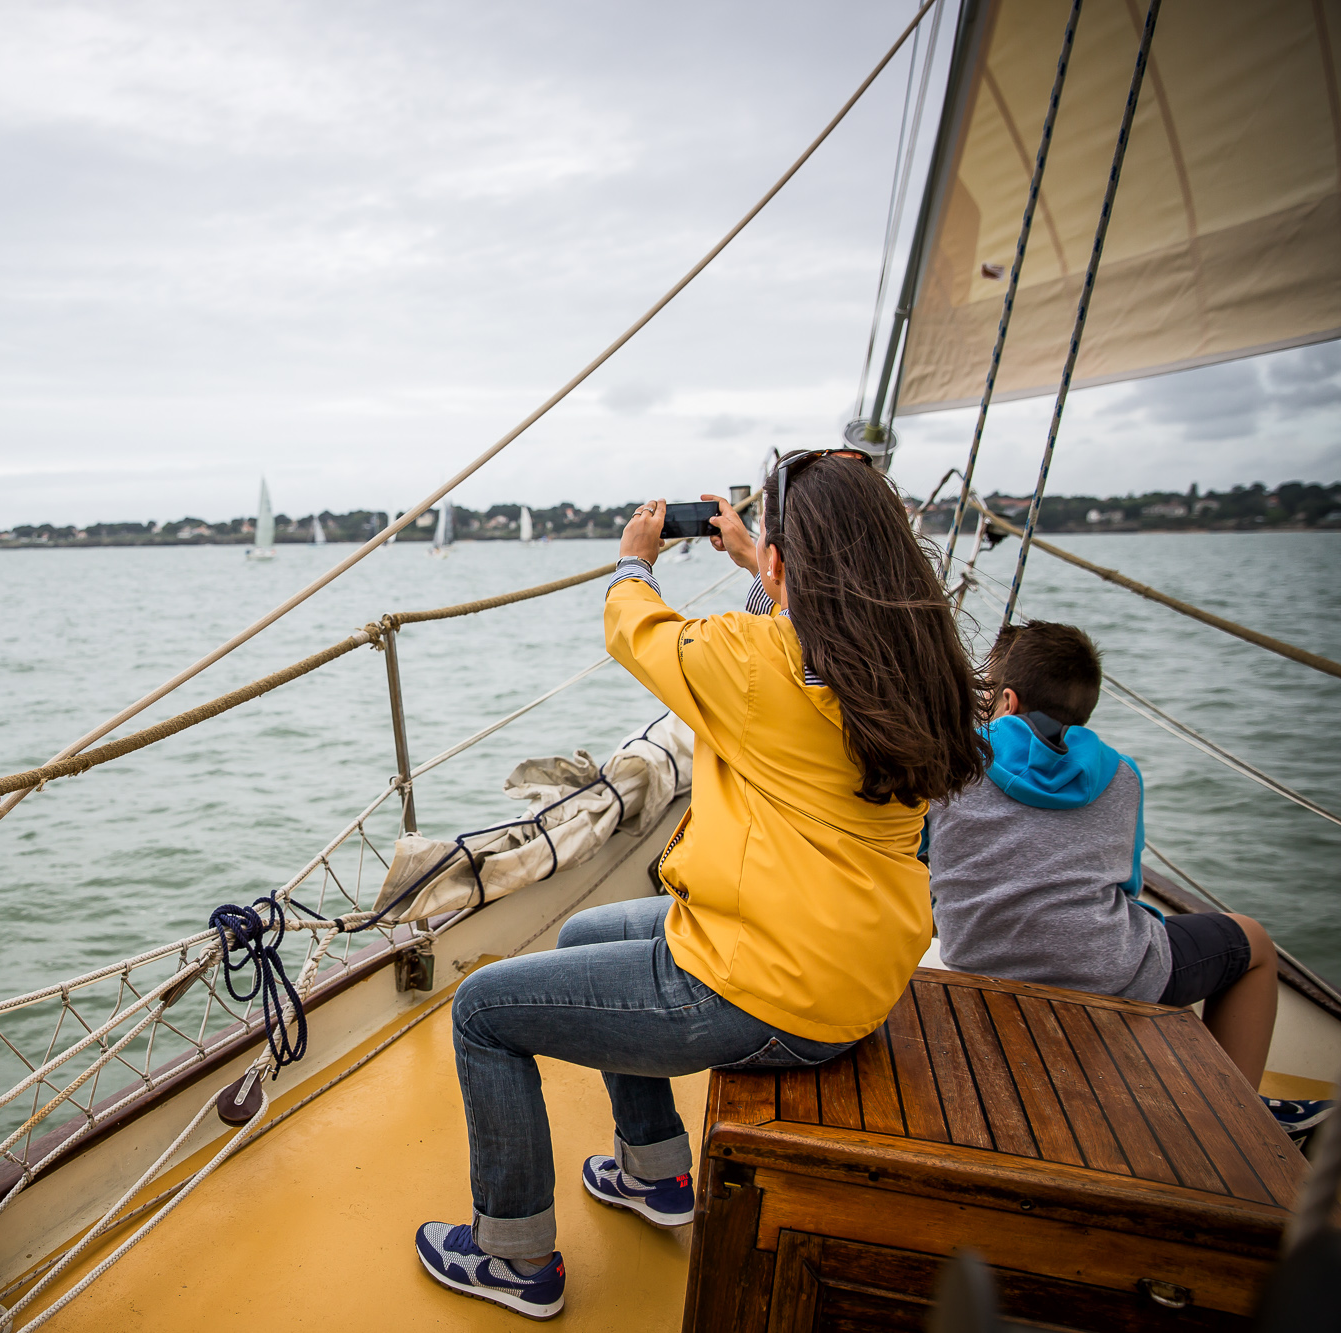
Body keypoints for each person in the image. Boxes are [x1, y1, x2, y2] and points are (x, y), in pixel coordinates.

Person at [413, 452, 990, 1320]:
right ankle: (654, 1173)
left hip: (767, 988)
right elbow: (795, 647)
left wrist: (635, 558)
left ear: (791, 566)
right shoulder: (912, 661)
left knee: (483, 1012)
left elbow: (634, 628)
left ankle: (513, 1257)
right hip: (857, 970)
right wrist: (756, 557)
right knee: (582, 938)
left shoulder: (755, 662)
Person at [926, 620, 1332, 1146]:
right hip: (1108, 974)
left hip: (977, 966)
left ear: (1005, 697)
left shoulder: (951, 763)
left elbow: (923, 858)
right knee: (1253, 944)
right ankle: (1240, 1129)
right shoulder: (1121, 777)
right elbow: (1129, 888)